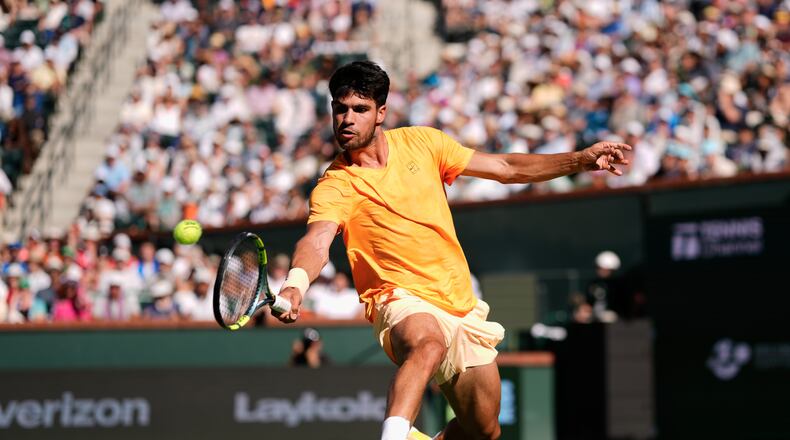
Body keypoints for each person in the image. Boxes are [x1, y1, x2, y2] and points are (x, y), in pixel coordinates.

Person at [273, 61, 630, 440]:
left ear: (381, 113)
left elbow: (506, 167)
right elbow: (316, 241)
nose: (347, 118)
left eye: (359, 109)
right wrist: (296, 284)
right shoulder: (334, 186)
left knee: (484, 430)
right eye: (339, 108)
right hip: (400, 298)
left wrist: (580, 160)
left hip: (459, 302)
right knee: (428, 344)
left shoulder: (424, 143)